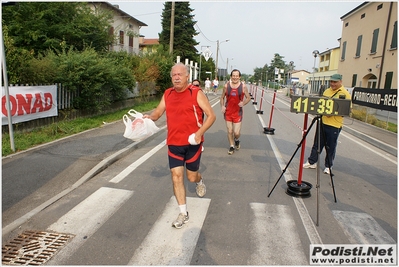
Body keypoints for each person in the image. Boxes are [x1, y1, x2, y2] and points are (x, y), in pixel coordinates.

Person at [143, 63, 216, 229]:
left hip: (193, 144)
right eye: (174, 75)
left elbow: (212, 116)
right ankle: (184, 213)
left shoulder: (196, 93)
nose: (176, 77)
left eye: (180, 74)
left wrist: (199, 134)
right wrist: (149, 117)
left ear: (187, 76)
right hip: (174, 143)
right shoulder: (168, 94)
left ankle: (199, 180)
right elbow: (158, 112)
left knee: (191, 177)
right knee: (176, 176)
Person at [303, 73, 351, 174]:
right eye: (331, 82)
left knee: (330, 146)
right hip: (323, 121)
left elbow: (346, 110)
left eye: (335, 82)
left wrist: (332, 113)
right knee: (317, 144)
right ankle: (312, 161)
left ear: (340, 82)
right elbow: (322, 104)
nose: (332, 84)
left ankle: (328, 166)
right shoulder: (326, 91)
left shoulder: (345, 94)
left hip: (334, 125)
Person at [220, 69, 251, 155]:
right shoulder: (226, 86)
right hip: (228, 112)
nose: (235, 77)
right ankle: (231, 146)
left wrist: (243, 103)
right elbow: (222, 97)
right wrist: (222, 106)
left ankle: (236, 140)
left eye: (237, 76)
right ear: (231, 76)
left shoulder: (243, 86)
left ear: (239, 77)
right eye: (233, 76)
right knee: (230, 131)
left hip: (238, 113)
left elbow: (248, 98)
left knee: (236, 133)